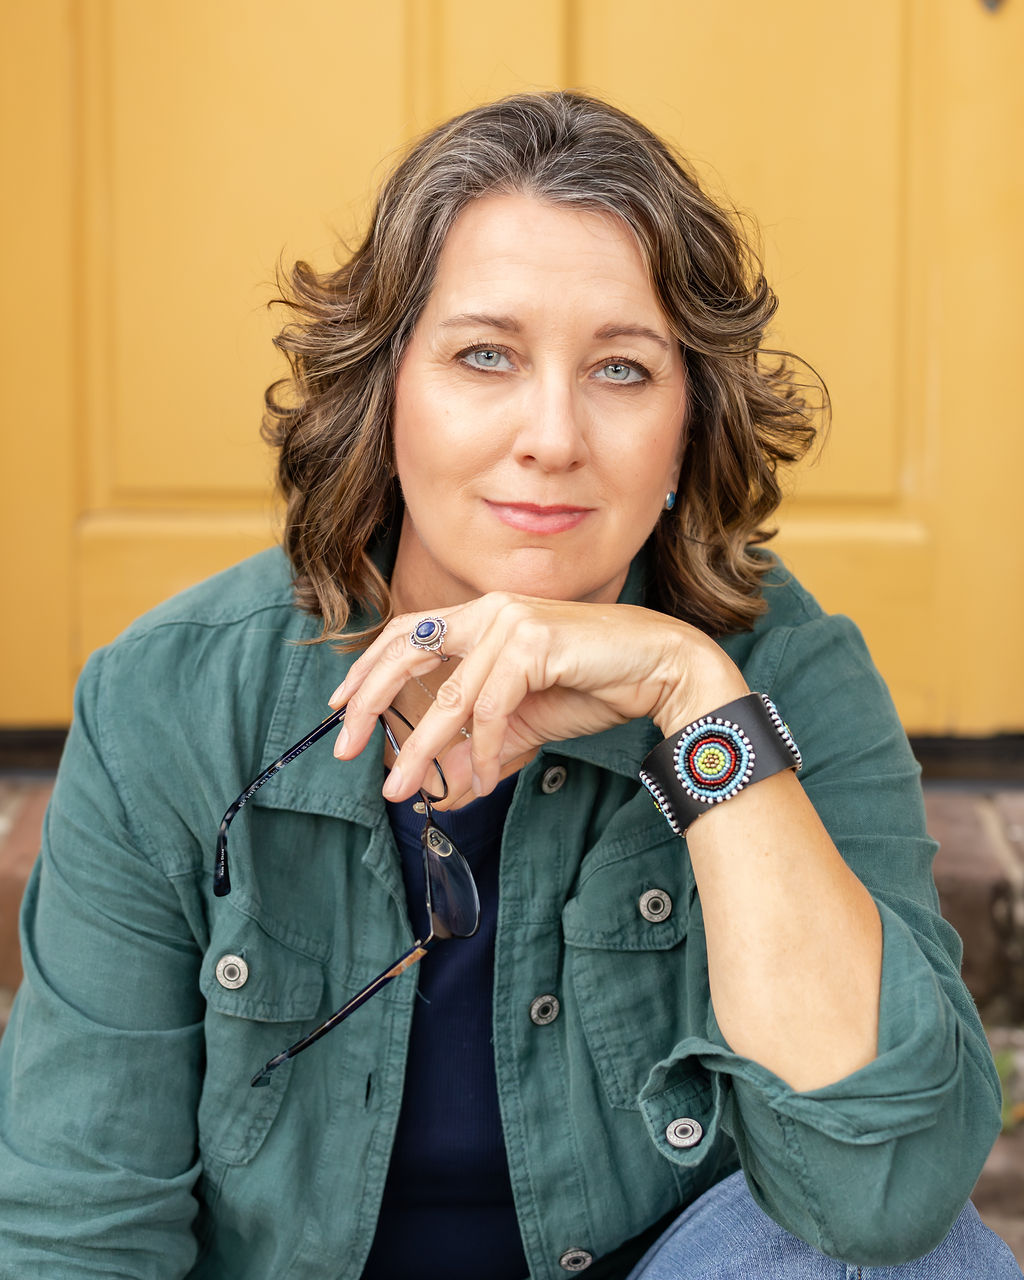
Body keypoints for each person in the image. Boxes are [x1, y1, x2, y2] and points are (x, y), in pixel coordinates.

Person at [0, 90, 1018, 1280]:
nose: (552, 434)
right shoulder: (174, 700)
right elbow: (76, 1228)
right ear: (384, 394)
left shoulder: (778, 672)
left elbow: (882, 1188)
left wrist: (689, 694)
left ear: (690, 428)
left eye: (623, 370)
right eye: (485, 354)